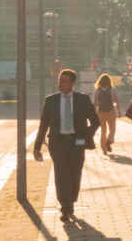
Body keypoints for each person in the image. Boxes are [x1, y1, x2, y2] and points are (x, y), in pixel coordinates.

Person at [33, 68, 101, 223]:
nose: (60, 84)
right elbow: (43, 125)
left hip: (77, 142)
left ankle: (71, 200)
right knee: (61, 175)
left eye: (64, 81)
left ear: (72, 83)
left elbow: (96, 122)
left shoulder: (82, 99)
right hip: (58, 143)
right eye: (59, 81)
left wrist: (86, 135)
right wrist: (37, 147)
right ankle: (65, 207)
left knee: (75, 174)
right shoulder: (51, 101)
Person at [93, 74, 120, 155]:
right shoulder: (112, 90)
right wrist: (118, 111)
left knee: (103, 131)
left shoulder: (97, 90)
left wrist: (94, 113)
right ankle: (109, 141)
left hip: (101, 112)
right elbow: (116, 101)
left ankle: (104, 149)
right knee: (112, 129)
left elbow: (95, 103)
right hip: (111, 111)